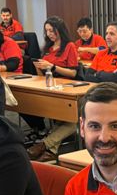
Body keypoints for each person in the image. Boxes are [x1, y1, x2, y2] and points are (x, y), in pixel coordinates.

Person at [27, 17, 81, 162]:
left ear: (59, 30)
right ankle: (51, 149)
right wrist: (40, 68)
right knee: (63, 120)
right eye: (47, 31)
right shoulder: (48, 48)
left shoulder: (69, 46)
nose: (49, 33)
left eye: (52, 30)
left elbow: (74, 73)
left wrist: (52, 67)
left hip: (67, 88)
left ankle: (44, 144)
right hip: (51, 86)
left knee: (71, 121)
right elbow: (44, 73)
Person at [83, 22, 117, 90]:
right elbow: (87, 76)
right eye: (106, 33)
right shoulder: (100, 54)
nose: (107, 37)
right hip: (97, 91)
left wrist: (98, 74)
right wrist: (109, 76)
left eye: (112, 34)